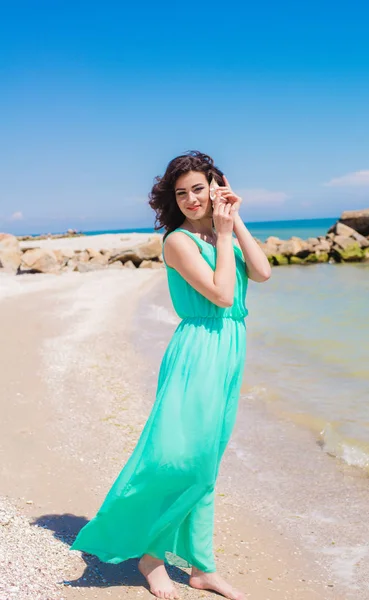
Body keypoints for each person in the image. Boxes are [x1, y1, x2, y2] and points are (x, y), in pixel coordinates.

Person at [70, 151, 271, 599]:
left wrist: (234, 220)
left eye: (199, 188)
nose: (190, 199)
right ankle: (151, 557)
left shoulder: (225, 234)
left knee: (207, 465)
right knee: (180, 460)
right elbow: (221, 294)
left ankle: (202, 568)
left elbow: (262, 272)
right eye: (181, 193)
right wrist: (220, 233)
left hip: (230, 352)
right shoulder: (178, 242)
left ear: (216, 188)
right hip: (198, 351)